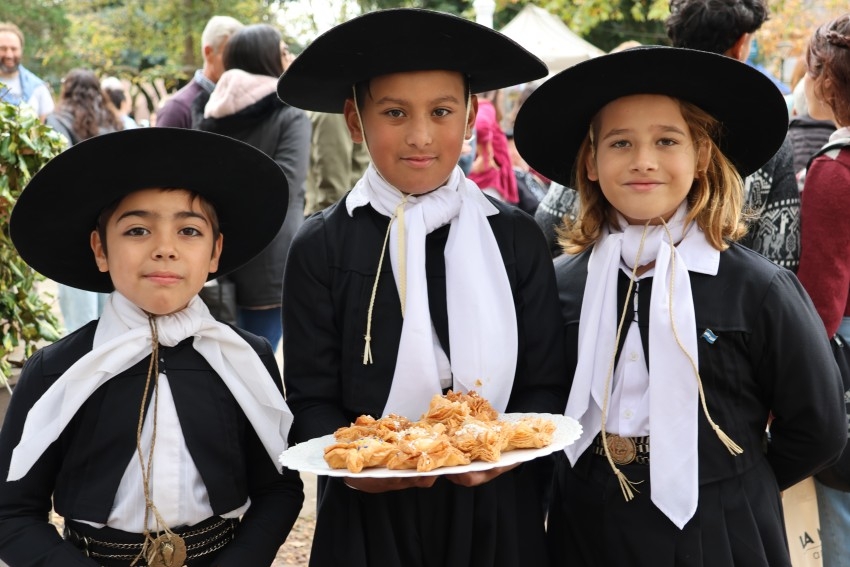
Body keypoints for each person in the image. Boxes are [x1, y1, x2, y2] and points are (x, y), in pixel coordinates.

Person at [513, 45, 847, 566]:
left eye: (667, 140)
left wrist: (731, 479)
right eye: (620, 143)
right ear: (591, 163)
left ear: (703, 158)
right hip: (587, 525)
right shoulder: (559, 287)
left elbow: (818, 427)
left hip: (720, 525)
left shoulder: (758, 289)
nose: (643, 160)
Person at [277, 8, 568, 566]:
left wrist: (499, 453)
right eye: (393, 112)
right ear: (355, 121)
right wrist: (364, 468)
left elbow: (545, 381)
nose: (419, 135)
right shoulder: (323, 247)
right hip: (369, 514)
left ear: (469, 118)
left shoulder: (514, 238)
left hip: (496, 502)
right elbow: (310, 398)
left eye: (440, 111)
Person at [0, 127, 304, 566]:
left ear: (215, 252)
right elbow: (11, 513)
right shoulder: (56, 371)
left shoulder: (245, 359)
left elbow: (278, 487)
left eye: (189, 231)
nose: (165, 249)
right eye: (138, 230)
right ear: (100, 249)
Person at [194, 23, 309, 352]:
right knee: (258, 356)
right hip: (270, 258)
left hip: (220, 254)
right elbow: (286, 184)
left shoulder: (211, 111)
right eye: (284, 52)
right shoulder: (289, 115)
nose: (290, 59)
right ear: (267, 60)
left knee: (222, 356)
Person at [666, 0, 801, 272]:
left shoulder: (628, 114)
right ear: (741, 45)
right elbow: (780, 257)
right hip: (729, 307)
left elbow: (558, 228)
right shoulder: (766, 135)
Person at [795, 15, 850, 567]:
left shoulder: (835, 172)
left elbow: (824, 300)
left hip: (846, 353)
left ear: (826, 83)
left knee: (842, 504)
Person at [46, 68, 125, 334]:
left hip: (73, 222)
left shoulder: (57, 121)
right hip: (111, 219)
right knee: (111, 302)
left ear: (67, 89)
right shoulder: (114, 121)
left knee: (79, 311)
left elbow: (57, 172)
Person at [155, 15, 243, 129]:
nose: (237, 61)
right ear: (208, 53)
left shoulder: (241, 104)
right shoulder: (177, 110)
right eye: (230, 54)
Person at [304, 111, 371, 215]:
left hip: (344, 211)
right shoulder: (329, 113)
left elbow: (333, 184)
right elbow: (333, 181)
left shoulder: (330, 113)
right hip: (336, 212)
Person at [468, 89, 517, 204]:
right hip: (488, 182)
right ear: (495, 94)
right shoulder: (486, 106)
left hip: (487, 182)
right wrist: (486, 157)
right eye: (501, 93)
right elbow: (481, 126)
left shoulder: (482, 107)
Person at [0, 21, 54, 121]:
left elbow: (47, 126)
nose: (9, 55)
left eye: (14, 49)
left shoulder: (38, 87)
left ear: (21, 50)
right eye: (3, 49)